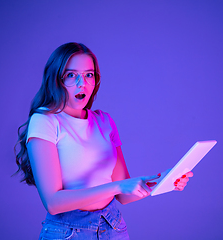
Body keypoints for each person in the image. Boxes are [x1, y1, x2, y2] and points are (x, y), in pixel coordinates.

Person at [15, 42, 193, 239]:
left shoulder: (104, 121)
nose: (81, 83)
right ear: (56, 80)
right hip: (67, 232)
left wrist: (162, 181)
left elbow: (124, 194)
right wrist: (117, 187)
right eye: (71, 75)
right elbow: (53, 202)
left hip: (112, 227)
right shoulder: (44, 121)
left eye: (88, 75)